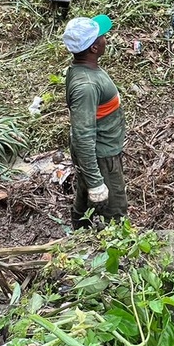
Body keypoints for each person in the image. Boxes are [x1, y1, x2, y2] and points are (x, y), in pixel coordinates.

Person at [63, 14, 127, 229]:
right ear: (93, 48)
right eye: (101, 36)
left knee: (84, 198)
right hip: (101, 156)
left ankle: (79, 231)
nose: (105, 38)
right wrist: (97, 181)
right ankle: (115, 252)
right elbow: (83, 134)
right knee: (115, 212)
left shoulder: (83, 70)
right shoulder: (87, 86)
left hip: (99, 153)